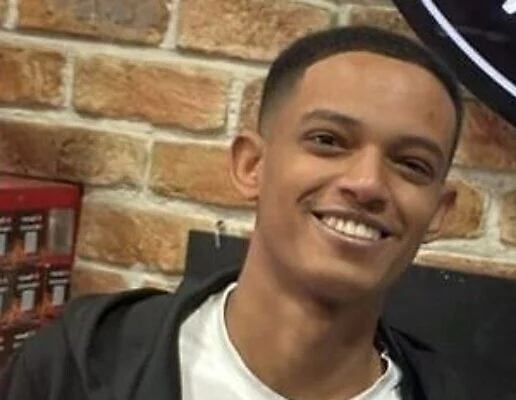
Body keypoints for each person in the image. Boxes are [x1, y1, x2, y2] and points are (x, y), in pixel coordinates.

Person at [0, 26, 465, 400]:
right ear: (251, 166)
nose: (367, 183)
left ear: (438, 213)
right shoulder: (81, 363)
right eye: (328, 140)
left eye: (412, 164)